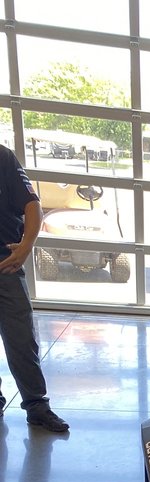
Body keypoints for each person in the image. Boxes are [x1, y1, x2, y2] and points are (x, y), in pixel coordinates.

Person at [0, 144, 69, 433]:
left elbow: (32, 205)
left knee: (22, 339)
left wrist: (26, 245)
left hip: (5, 265)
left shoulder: (2, 158)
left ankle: (37, 406)